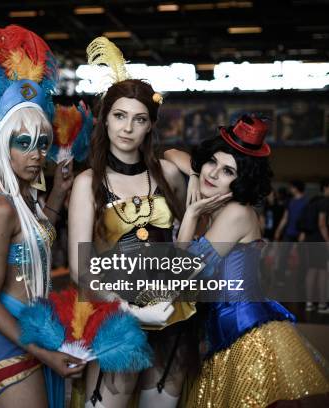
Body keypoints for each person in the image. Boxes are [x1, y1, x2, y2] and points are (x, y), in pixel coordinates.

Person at [0, 23, 82, 408]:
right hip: (5, 343)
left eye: (42, 143)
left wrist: (57, 194)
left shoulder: (21, 199)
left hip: (30, 333)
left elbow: (36, 241)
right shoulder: (0, 205)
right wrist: (47, 355)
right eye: (22, 143)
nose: (36, 153)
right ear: (1, 144)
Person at [68, 37, 194, 408]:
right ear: (105, 118)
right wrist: (127, 309)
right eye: (120, 116)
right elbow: (80, 265)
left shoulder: (169, 174)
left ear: (150, 125)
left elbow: (188, 239)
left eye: (139, 119)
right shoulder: (87, 183)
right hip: (116, 316)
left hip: (171, 315)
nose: (127, 128)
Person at [172, 115, 329, 407]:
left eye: (228, 171)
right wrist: (194, 174)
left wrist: (191, 216)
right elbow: (169, 153)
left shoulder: (236, 214)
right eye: (211, 163)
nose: (214, 174)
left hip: (246, 336)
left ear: (241, 180)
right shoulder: (218, 203)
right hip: (222, 337)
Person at [300, 179, 329, 312]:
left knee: (311, 271)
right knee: (322, 273)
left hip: (310, 239)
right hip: (320, 241)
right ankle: (322, 304)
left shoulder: (313, 201)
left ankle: (309, 303)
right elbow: (322, 223)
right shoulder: (325, 202)